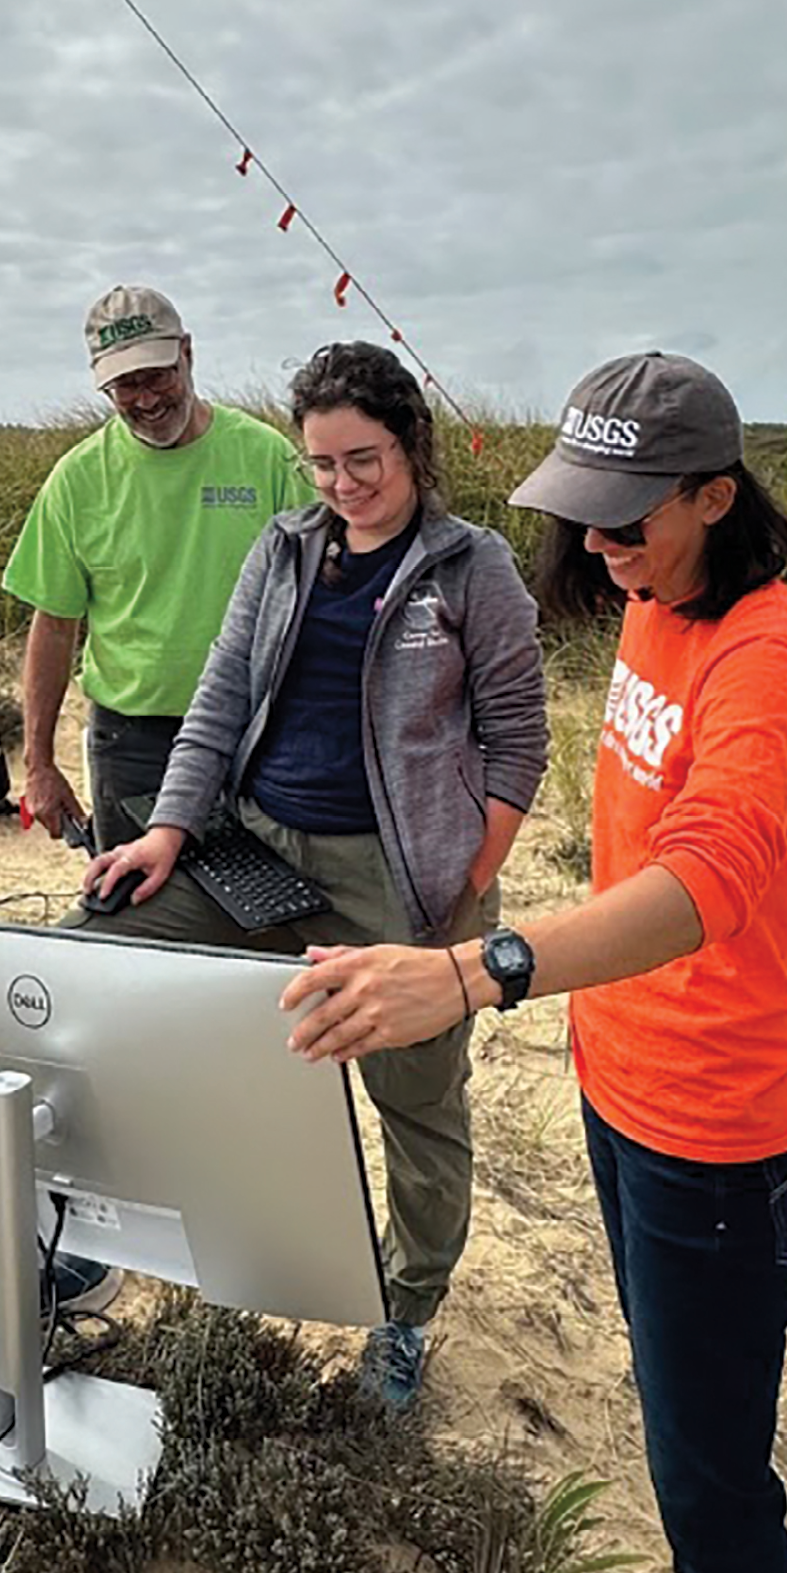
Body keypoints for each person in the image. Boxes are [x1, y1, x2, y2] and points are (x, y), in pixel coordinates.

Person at [277, 350, 787, 1573]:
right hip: (628, 1093)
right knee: (683, 1432)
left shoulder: (767, 654)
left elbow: (708, 883)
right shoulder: (662, 618)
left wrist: (479, 971)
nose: (598, 549)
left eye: (627, 521)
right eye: (578, 520)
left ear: (713, 499)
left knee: (718, 1479)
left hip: (724, 1138)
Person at [84, 338, 549, 1408]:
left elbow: (520, 740)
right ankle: (122, 1232)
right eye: (323, 465)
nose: (343, 486)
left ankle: (407, 1309)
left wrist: (461, 885)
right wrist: (167, 832)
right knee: (99, 953)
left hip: (400, 877)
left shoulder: (472, 568)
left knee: (416, 1098)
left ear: (414, 446)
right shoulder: (285, 548)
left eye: (364, 462)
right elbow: (220, 700)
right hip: (254, 848)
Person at [5, 285, 304, 852]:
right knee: (139, 915)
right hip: (133, 743)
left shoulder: (267, 458)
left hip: (257, 732)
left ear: (187, 353)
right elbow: (54, 625)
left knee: (267, 911)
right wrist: (39, 764)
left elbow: (318, 595)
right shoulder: (78, 479)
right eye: (124, 385)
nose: (144, 399)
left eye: (156, 376)